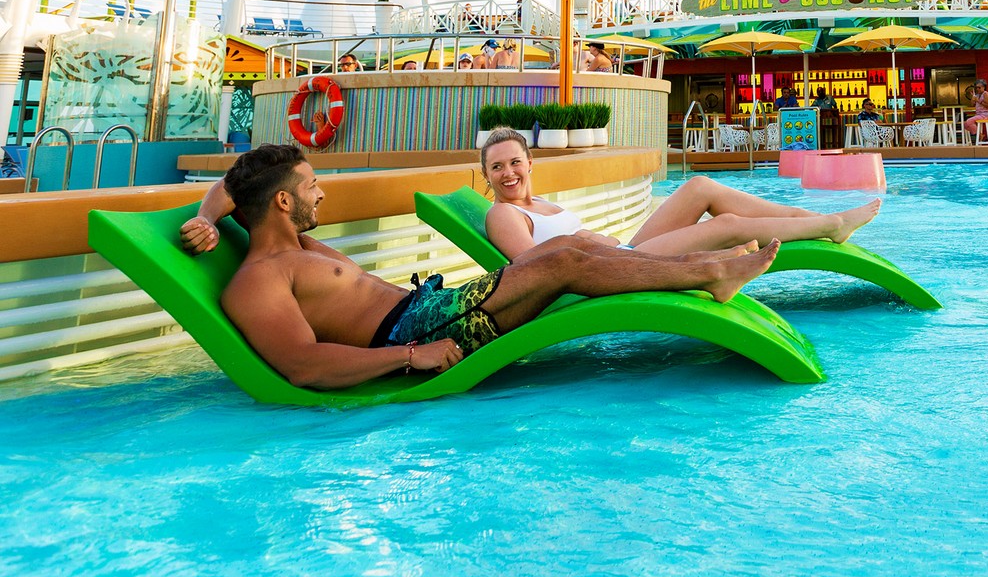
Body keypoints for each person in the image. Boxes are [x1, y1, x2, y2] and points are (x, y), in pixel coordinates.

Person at [176, 144, 777, 390]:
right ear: (282, 203)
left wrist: (208, 214)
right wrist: (410, 358)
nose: (321, 195)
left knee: (566, 250)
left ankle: (709, 264)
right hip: (416, 333)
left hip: (428, 309)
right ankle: (710, 270)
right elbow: (300, 364)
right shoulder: (259, 281)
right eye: (310, 186)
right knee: (564, 260)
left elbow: (238, 188)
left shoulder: (298, 249)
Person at [480, 128, 880, 258]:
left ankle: (806, 218)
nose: (508, 173)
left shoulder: (540, 204)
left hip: (623, 253)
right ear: (486, 176)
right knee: (727, 226)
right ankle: (831, 224)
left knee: (698, 186)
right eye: (497, 167)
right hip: (618, 270)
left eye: (514, 162)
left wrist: (589, 239)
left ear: (530, 163)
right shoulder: (503, 214)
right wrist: (584, 241)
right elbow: (532, 268)